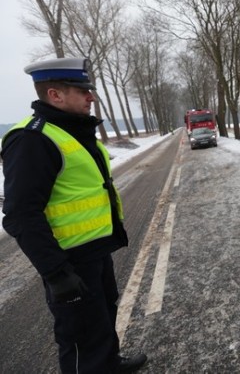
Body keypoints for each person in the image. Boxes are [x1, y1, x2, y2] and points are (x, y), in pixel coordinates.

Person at [1, 58, 147, 373]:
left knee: (103, 316)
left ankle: (108, 363)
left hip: (94, 251)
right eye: (83, 91)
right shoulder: (32, 139)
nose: (91, 97)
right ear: (55, 95)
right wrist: (56, 273)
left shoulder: (71, 131)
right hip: (68, 260)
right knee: (81, 337)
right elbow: (20, 214)